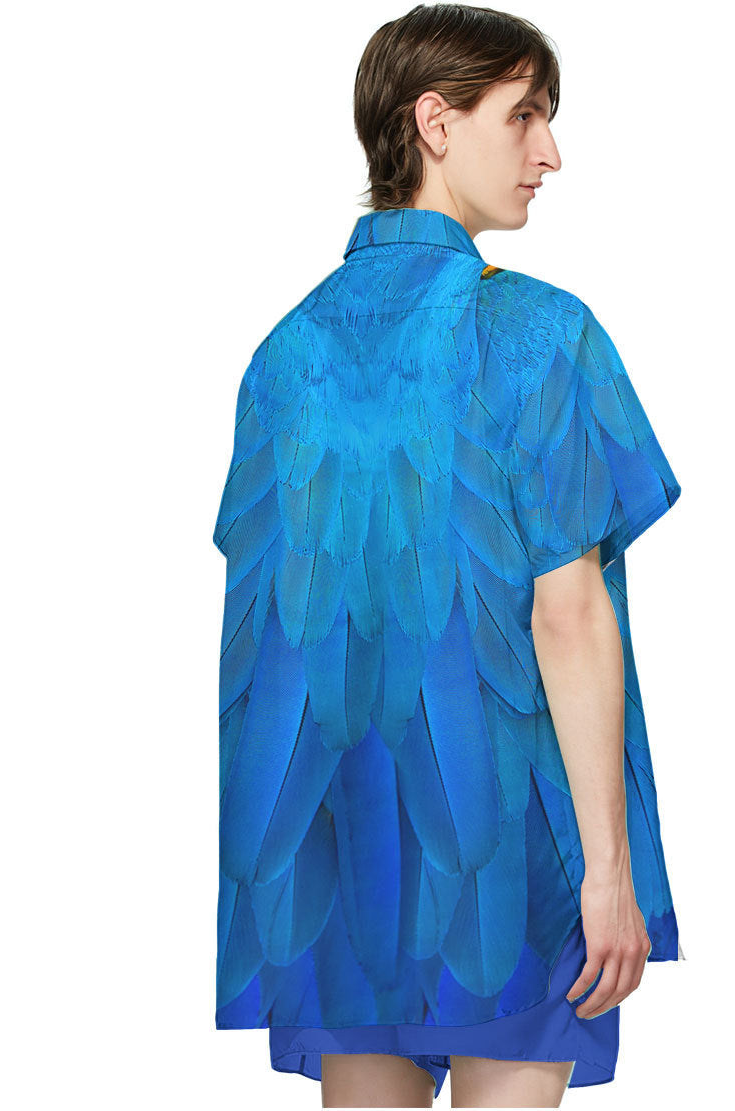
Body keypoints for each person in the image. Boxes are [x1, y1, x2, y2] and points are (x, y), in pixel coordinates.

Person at [212, 5, 684, 1107]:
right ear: (434, 121)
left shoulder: (282, 355)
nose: (549, 153)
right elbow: (567, 612)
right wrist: (608, 875)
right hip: (506, 847)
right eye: (523, 116)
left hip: (333, 858)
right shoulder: (538, 333)